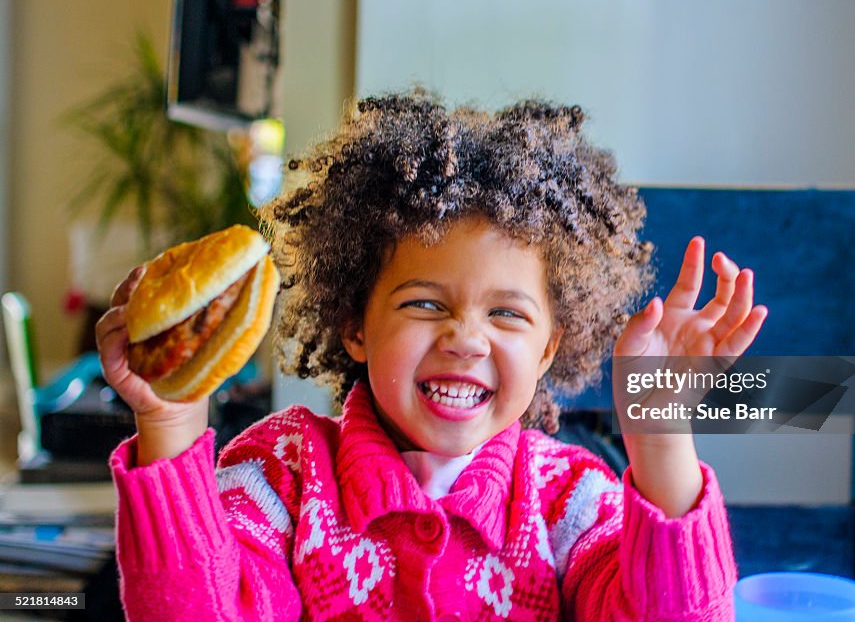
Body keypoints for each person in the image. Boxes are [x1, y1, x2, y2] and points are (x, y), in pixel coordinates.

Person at [97, 92, 767, 620]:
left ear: (547, 351)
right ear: (355, 324)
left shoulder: (570, 502)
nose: (466, 339)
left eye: (506, 314)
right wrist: (170, 417)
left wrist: (659, 437)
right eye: (425, 304)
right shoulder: (282, 476)